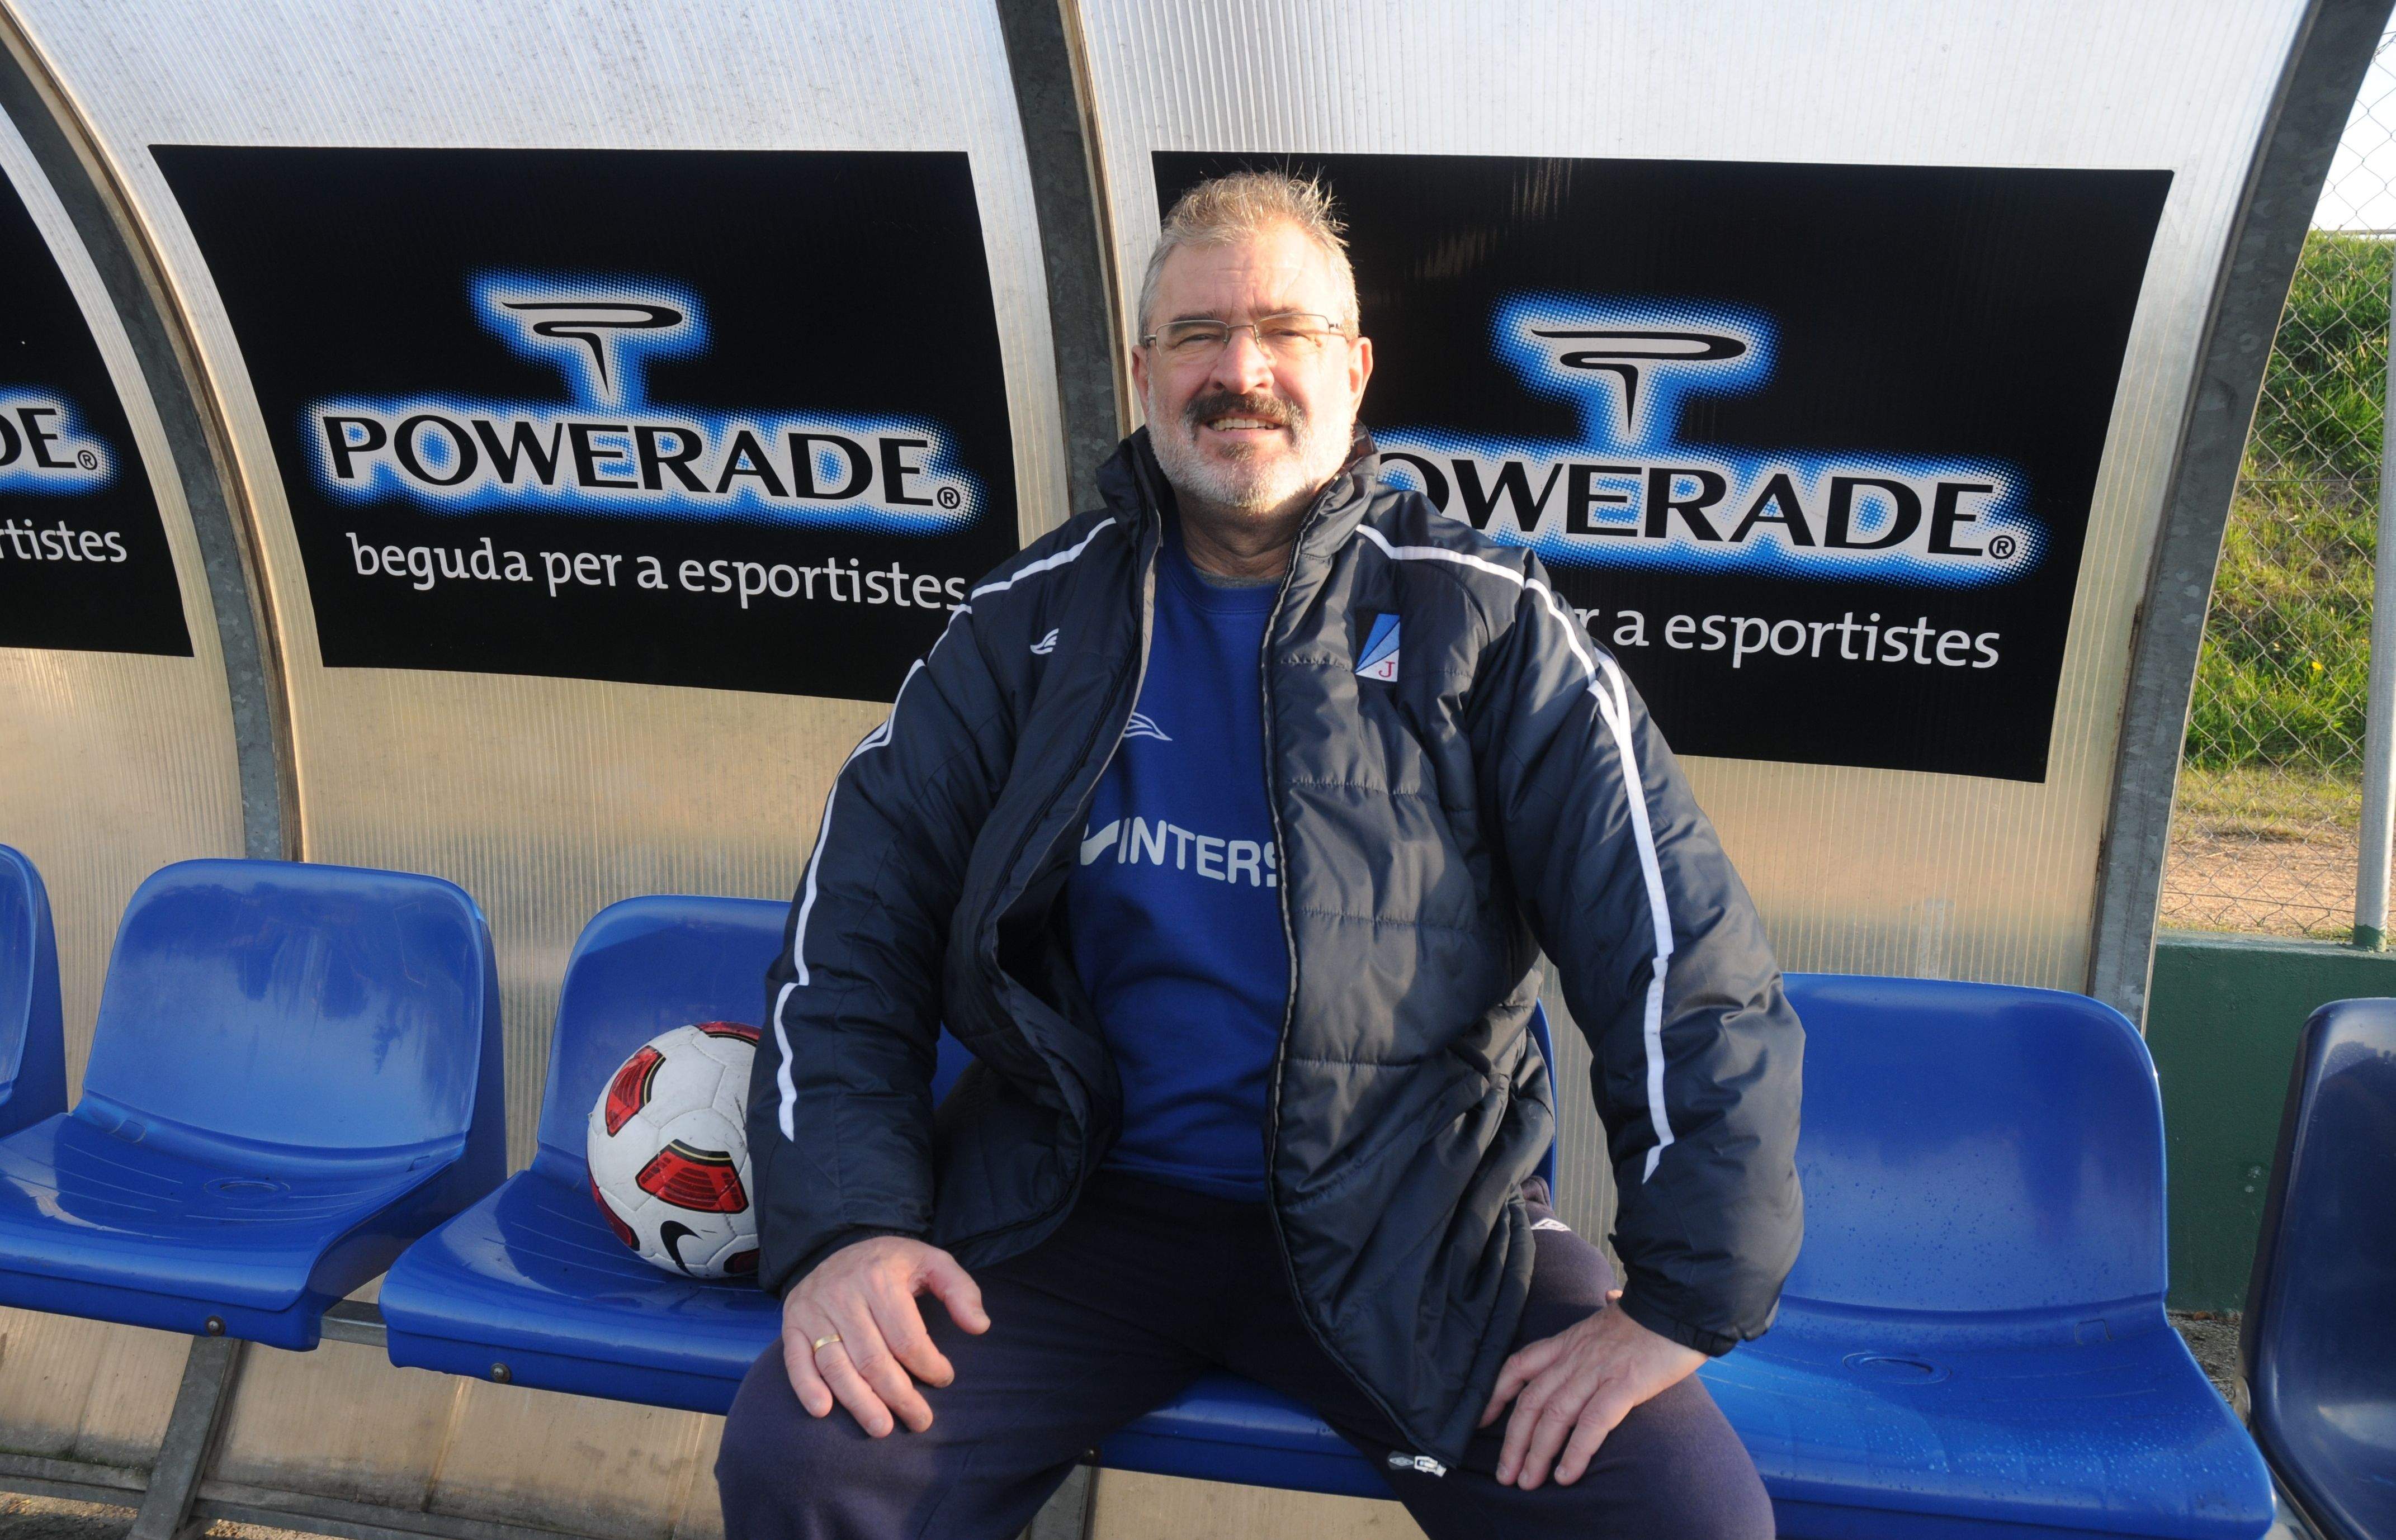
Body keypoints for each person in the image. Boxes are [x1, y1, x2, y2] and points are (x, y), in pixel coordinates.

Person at [720, 171, 1802, 1540]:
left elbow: (1681, 952)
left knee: (1683, 1520)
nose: (1242, 370)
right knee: (810, 1463)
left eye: (1285, 331)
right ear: (1143, 369)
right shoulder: (1022, 625)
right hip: (1074, 1211)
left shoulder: (1489, 624)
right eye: (1197, 336)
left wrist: (1677, 1304)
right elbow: (850, 933)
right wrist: (850, 1230)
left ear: (1352, 370)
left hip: (1416, 1220)